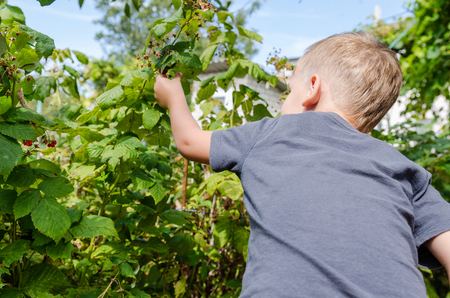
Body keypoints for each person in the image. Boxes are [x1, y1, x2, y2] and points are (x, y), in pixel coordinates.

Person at [154, 31, 450, 297]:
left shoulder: (270, 134)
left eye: (290, 91)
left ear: (311, 89)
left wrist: (173, 96)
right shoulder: (403, 168)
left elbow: (189, 142)